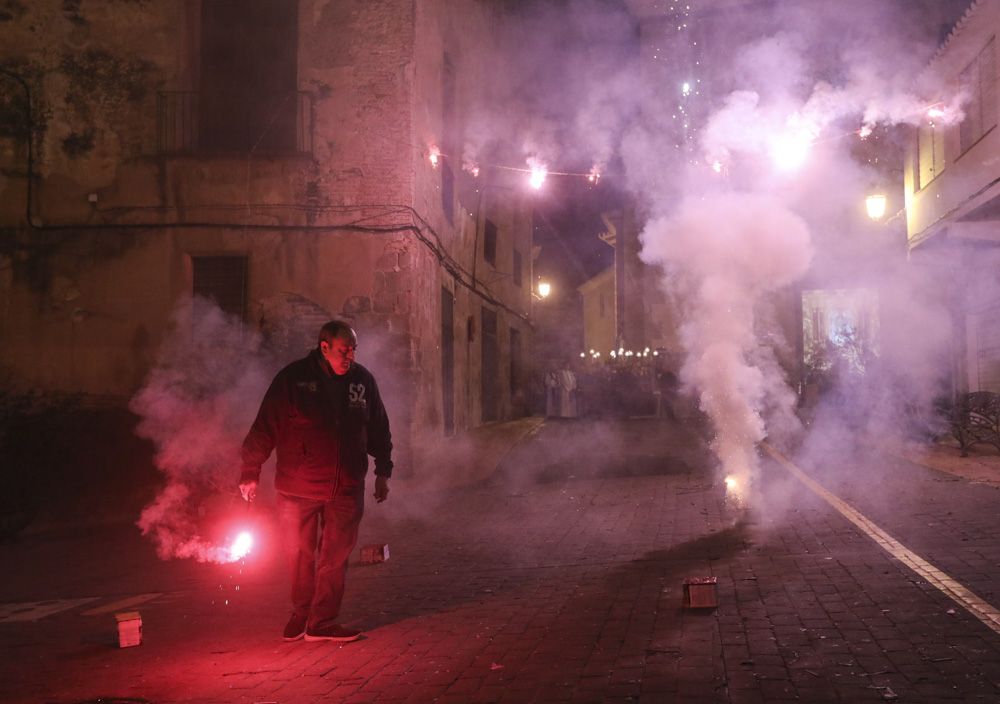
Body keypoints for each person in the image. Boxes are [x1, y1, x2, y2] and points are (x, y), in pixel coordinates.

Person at [239, 320, 392, 643]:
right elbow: (265, 425)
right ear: (324, 347)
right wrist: (250, 472)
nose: (349, 356)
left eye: (353, 350)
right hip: (298, 489)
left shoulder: (362, 382)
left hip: (346, 487)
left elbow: (377, 427)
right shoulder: (293, 380)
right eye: (343, 350)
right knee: (298, 554)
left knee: (334, 557)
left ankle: (321, 622)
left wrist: (383, 471)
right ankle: (301, 612)